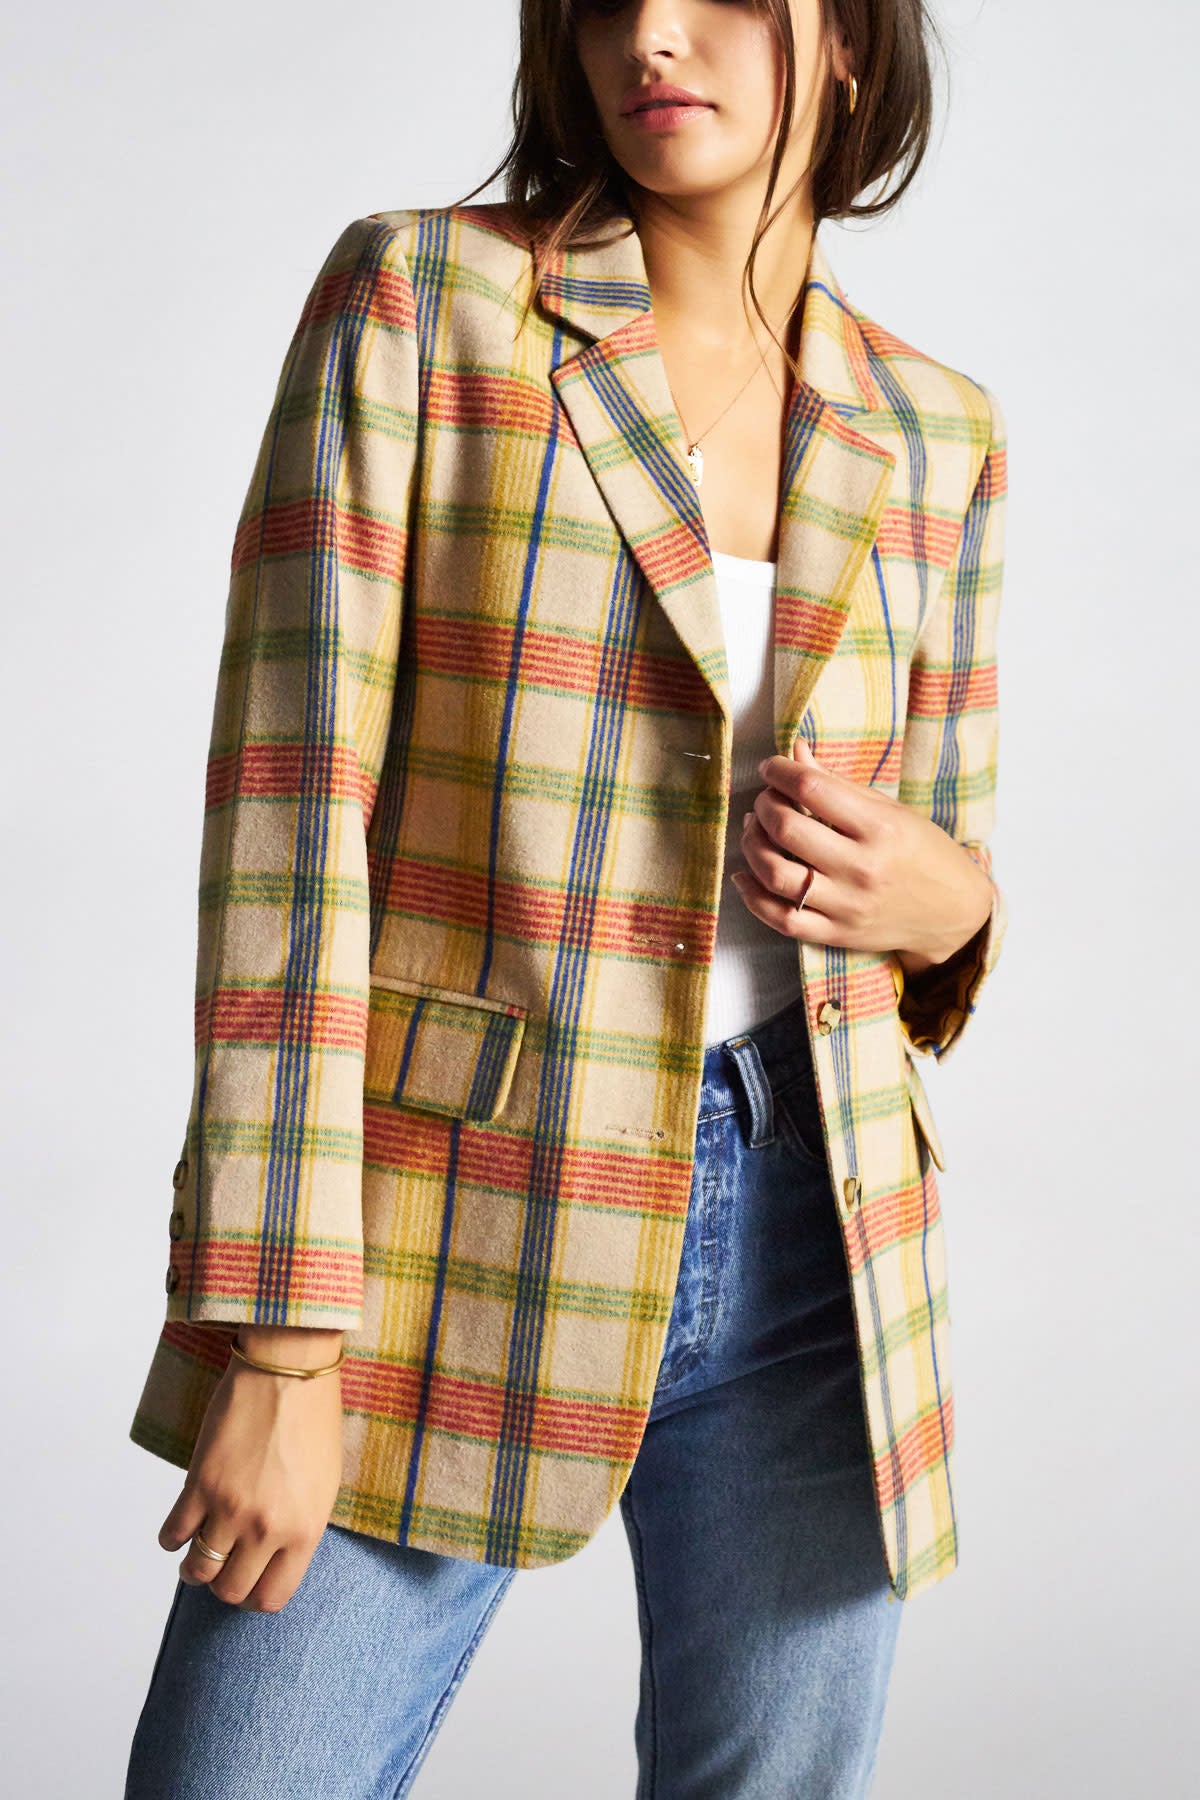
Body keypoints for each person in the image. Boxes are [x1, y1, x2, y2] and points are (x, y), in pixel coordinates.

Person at [124, 0, 1008, 1793]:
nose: (653, 36)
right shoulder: (426, 304)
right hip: (442, 1219)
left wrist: (954, 907)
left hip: (820, 1237)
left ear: (847, 39)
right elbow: (287, 823)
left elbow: (932, 880)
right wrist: (278, 1336)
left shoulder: (936, 430)